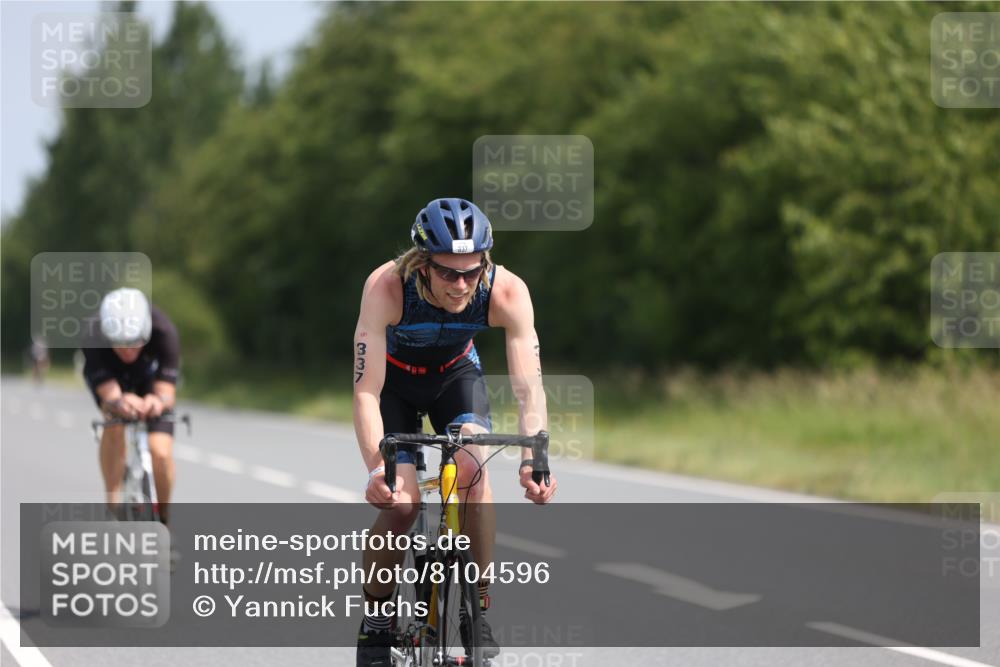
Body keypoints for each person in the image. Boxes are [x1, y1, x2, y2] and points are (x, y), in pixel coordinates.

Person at [353, 197, 558, 666]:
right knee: (402, 505)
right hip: (394, 384)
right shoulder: (387, 286)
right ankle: (376, 623)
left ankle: (476, 610)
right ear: (422, 265)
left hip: (455, 376)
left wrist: (535, 458)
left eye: (472, 271)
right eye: (448, 273)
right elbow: (366, 392)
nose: (462, 284)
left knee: (473, 469)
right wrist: (375, 468)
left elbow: (530, 389)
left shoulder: (505, 290)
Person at [81, 288, 180, 526]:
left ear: (146, 333)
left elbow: (167, 392)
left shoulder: (164, 331)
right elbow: (109, 394)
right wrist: (119, 401)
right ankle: (112, 506)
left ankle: (165, 519)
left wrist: (156, 401)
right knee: (114, 424)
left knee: (161, 452)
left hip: (150, 381)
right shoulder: (92, 333)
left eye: (135, 343)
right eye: (120, 344)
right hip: (113, 379)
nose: (127, 351)